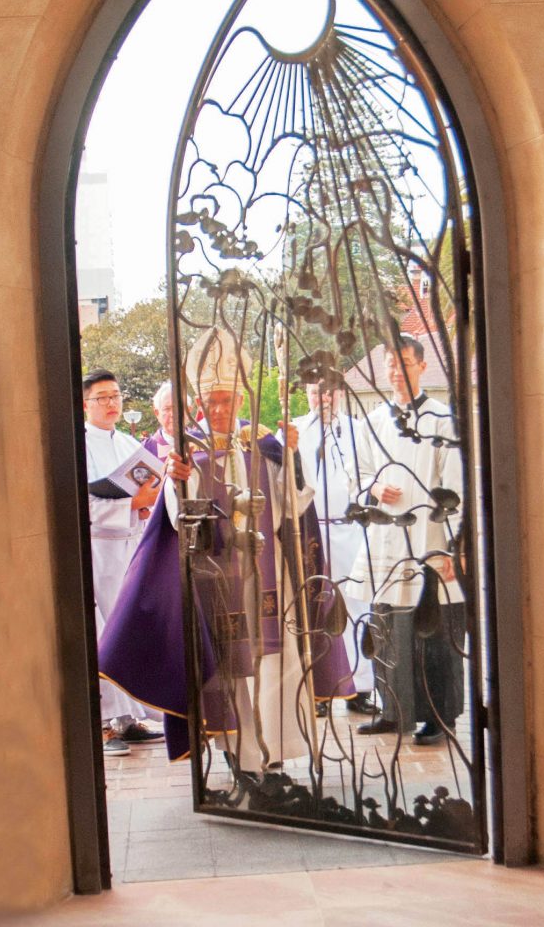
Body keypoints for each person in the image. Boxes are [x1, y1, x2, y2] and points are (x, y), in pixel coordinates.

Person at [99, 329, 354, 772]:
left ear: (241, 402)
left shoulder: (266, 446)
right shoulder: (189, 453)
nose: (219, 410)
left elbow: (294, 506)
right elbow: (180, 520)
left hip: (272, 573)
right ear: (199, 405)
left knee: (278, 664)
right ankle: (244, 759)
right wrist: (180, 482)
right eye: (211, 402)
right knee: (234, 672)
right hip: (220, 578)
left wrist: (292, 459)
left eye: (227, 400)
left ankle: (275, 758)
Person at [346, 334, 465, 745]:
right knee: (386, 629)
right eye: (390, 364)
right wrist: (374, 488)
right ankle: (394, 710)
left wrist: (451, 545)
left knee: (433, 631)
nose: (396, 371)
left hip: (428, 539)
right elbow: (356, 474)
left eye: (404, 363)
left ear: (421, 366)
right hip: (384, 541)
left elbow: (455, 486)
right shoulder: (374, 421)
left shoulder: (441, 421)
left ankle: (439, 715)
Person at [83, 368, 164, 756]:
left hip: (130, 545)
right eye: (102, 397)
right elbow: (80, 502)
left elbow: (144, 492)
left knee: (129, 627)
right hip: (99, 550)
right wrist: (131, 504)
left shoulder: (131, 443)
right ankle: (106, 725)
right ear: (85, 404)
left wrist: (144, 506)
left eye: (115, 395)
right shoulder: (77, 443)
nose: (112, 403)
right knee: (103, 632)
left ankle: (130, 717)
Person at [293, 382, 376, 715]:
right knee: (317, 609)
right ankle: (321, 690)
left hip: (349, 527)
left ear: (340, 392)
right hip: (313, 529)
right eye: (315, 393)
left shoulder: (358, 430)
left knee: (358, 606)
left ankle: (360, 689)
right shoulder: (295, 430)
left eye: (328, 391)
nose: (322, 399)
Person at [144, 381, 175, 461]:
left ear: (189, 410)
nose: (173, 414)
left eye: (179, 408)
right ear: (157, 413)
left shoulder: (203, 441)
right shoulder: (146, 450)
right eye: (167, 409)